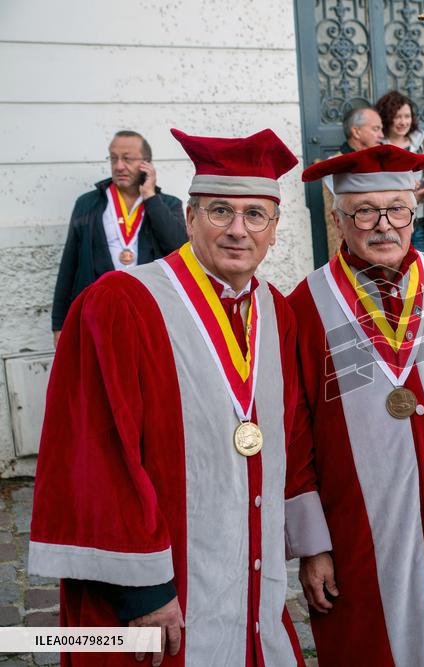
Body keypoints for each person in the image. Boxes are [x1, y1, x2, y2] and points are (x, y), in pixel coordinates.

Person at [29, 128, 305, 667]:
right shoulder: (121, 303)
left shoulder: (277, 312)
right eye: (220, 211)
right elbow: (95, 456)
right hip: (159, 590)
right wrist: (144, 590)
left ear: (274, 230)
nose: (237, 230)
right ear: (188, 216)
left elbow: (287, 438)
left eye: (256, 215)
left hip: (248, 579)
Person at [285, 144, 424, 666]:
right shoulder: (304, 305)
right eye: (365, 211)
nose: (384, 225)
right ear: (339, 220)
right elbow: (294, 434)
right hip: (361, 527)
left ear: (416, 212)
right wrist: (313, 545)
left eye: (398, 209)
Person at [52, 130, 186, 346]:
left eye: (128, 158)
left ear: (146, 164)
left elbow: (178, 247)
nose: (119, 166)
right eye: (114, 158)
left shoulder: (167, 204)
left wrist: (150, 196)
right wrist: (59, 323)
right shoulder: (88, 204)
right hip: (98, 315)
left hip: (150, 313)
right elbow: (70, 263)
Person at [374, 91, 424, 253]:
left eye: (407, 116)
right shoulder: (377, 147)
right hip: (389, 224)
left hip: (420, 221)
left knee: (422, 271)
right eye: (397, 117)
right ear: (385, 117)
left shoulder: (423, 144)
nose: (403, 122)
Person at [321, 107, 386, 260]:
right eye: (376, 129)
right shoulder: (335, 165)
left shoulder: (379, 161)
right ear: (356, 132)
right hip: (349, 249)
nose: (382, 135)